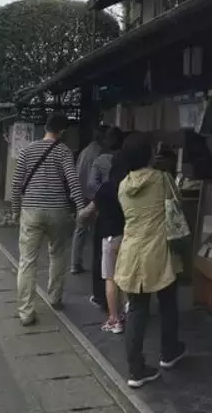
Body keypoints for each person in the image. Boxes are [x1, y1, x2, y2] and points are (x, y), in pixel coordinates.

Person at [115, 132, 185, 388]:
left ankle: (136, 369)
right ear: (148, 154)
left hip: (131, 251)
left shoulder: (123, 186)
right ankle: (170, 351)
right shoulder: (162, 179)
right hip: (159, 252)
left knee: (137, 310)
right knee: (168, 303)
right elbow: (176, 205)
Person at [11, 112, 85, 326]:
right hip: (57, 211)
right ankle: (54, 297)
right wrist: (81, 208)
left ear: (46, 128)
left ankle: (25, 312)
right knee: (58, 254)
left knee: (27, 261)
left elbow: (17, 184)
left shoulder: (28, 150)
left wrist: (16, 210)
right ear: (62, 131)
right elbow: (73, 181)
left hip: (31, 211)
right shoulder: (63, 151)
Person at [79, 148, 128, 334]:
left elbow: (89, 210)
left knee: (110, 278)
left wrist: (79, 216)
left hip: (109, 236)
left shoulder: (107, 187)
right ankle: (123, 312)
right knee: (124, 275)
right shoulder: (129, 185)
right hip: (127, 235)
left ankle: (114, 319)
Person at [87, 126, 124, 309]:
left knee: (105, 267)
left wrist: (100, 197)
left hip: (106, 220)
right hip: (126, 221)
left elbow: (92, 183)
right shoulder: (126, 162)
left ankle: (102, 300)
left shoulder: (101, 160)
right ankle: (124, 308)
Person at [70, 126, 105, 274]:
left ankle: (75, 263)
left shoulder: (85, 151)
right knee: (97, 230)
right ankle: (98, 263)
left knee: (80, 230)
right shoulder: (99, 153)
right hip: (93, 196)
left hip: (80, 194)